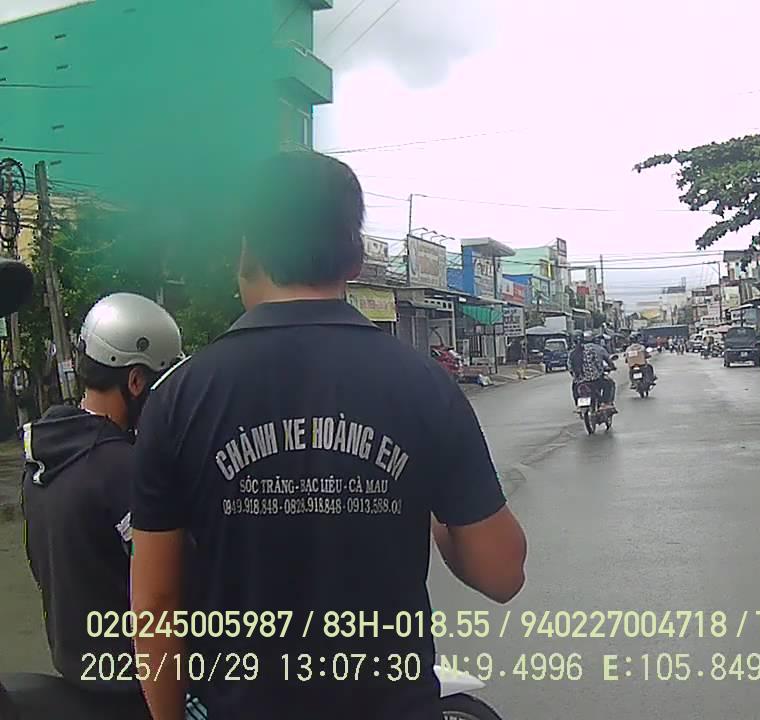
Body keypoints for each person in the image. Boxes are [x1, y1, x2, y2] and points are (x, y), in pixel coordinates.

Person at [128, 151, 527, 720]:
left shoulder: (179, 398)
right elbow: (501, 572)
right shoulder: (422, 385)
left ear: (246, 250)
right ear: (356, 257)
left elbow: (156, 603)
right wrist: (435, 505)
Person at [21, 293, 182, 717]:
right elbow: (165, 594)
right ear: (136, 382)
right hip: (135, 689)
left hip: (74, 669)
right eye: (159, 386)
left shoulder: (43, 454)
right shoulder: (123, 470)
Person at [569, 330, 617, 410]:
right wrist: (602, 371)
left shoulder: (572, 353)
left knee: (575, 388)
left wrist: (576, 377)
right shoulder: (593, 350)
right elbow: (597, 364)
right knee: (609, 384)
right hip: (595, 379)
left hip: (579, 381)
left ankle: (578, 406)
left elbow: (570, 368)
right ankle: (605, 403)